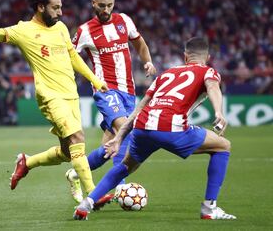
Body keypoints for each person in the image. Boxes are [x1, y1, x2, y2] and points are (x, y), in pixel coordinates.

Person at [0, 0, 113, 206]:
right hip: (50, 96)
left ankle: (27, 162)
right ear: (40, 7)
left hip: (70, 95)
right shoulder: (23, 31)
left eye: (61, 7)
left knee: (68, 152)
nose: (60, 13)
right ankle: (94, 195)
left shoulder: (61, 28)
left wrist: (94, 79)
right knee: (78, 139)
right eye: (55, 8)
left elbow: (73, 57)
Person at [73, 37, 237, 220]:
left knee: (125, 166)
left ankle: (86, 204)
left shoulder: (166, 74)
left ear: (185, 57)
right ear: (207, 57)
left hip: (142, 127)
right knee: (223, 146)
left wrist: (118, 139)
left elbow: (139, 108)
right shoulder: (208, 71)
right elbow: (213, 86)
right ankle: (209, 208)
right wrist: (219, 112)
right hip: (171, 128)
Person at [65, 0, 156, 203]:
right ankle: (121, 190)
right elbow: (69, 57)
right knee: (124, 131)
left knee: (110, 146)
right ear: (93, 4)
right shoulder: (84, 31)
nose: (106, 10)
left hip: (128, 92)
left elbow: (140, 43)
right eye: (102, 5)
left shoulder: (124, 21)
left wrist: (148, 62)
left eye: (110, 5)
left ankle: (76, 173)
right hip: (105, 91)